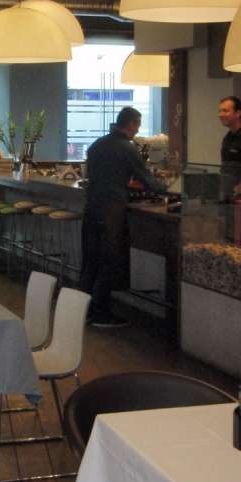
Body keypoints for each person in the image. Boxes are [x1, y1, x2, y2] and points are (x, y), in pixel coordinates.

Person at [80, 107, 167, 328]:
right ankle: (101, 313)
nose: (137, 131)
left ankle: (83, 310)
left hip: (92, 205)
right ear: (131, 124)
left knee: (91, 259)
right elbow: (145, 178)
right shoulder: (127, 147)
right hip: (111, 208)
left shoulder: (97, 144)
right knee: (109, 260)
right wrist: (168, 189)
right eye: (137, 126)